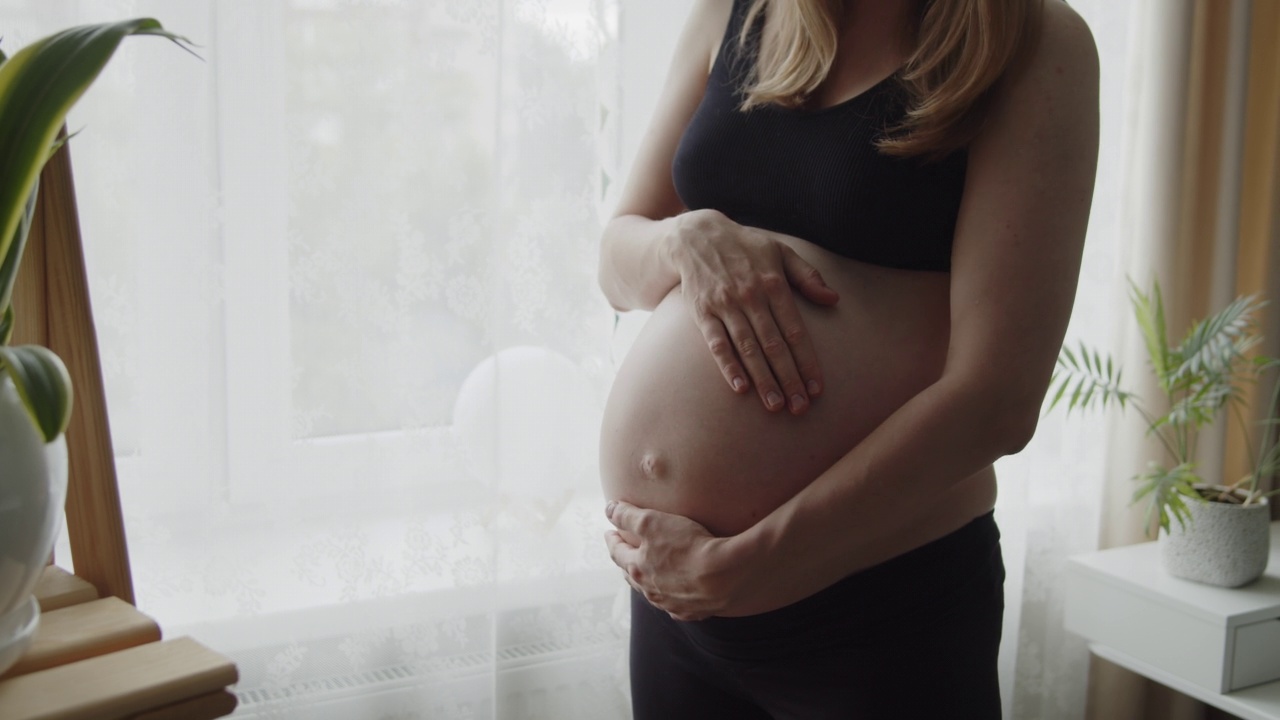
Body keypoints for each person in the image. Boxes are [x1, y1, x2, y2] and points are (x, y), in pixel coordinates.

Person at [595, 0, 1098, 716]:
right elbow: (617, 261)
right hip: (682, 614)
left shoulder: (1033, 43)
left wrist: (751, 563)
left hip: (879, 612)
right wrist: (681, 241)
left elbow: (998, 400)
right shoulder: (733, 13)